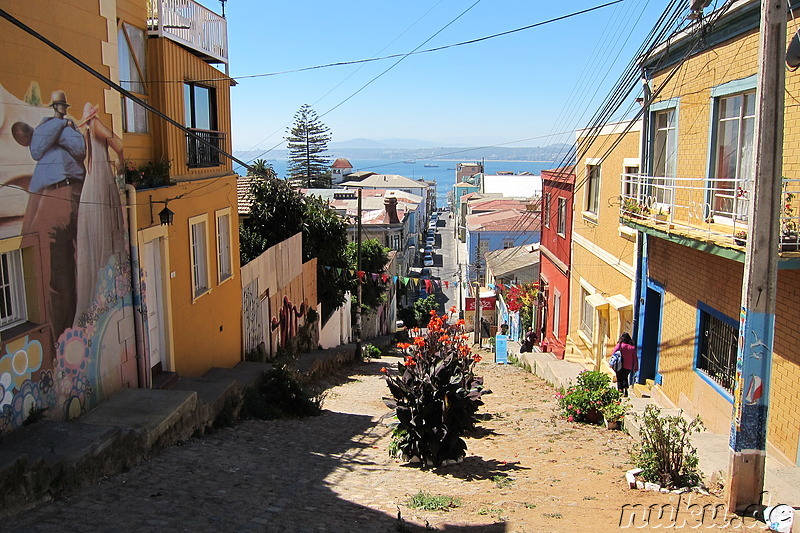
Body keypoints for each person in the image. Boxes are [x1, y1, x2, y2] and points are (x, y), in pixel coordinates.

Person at [20, 90, 86, 337]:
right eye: (58, 106)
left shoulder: (70, 129)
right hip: (49, 195)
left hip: (72, 193)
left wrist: (60, 133)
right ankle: (62, 333)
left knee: (71, 264)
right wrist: (60, 127)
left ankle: (71, 330)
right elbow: (37, 148)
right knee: (52, 268)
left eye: (63, 106)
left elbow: (80, 149)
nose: (61, 108)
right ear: (54, 107)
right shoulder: (52, 125)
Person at [73, 102, 125, 323]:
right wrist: (119, 164)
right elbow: (118, 144)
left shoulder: (90, 128)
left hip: (96, 184)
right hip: (98, 183)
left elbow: (116, 145)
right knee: (101, 229)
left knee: (96, 233)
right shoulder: (93, 126)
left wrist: (119, 164)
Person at [611, 332, 638, 397]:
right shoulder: (632, 347)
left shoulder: (620, 345)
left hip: (620, 365)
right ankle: (626, 390)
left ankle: (620, 391)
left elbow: (613, 353)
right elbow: (635, 358)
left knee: (619, 379)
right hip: (628, 367)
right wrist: (636, 367)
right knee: (625, 377)